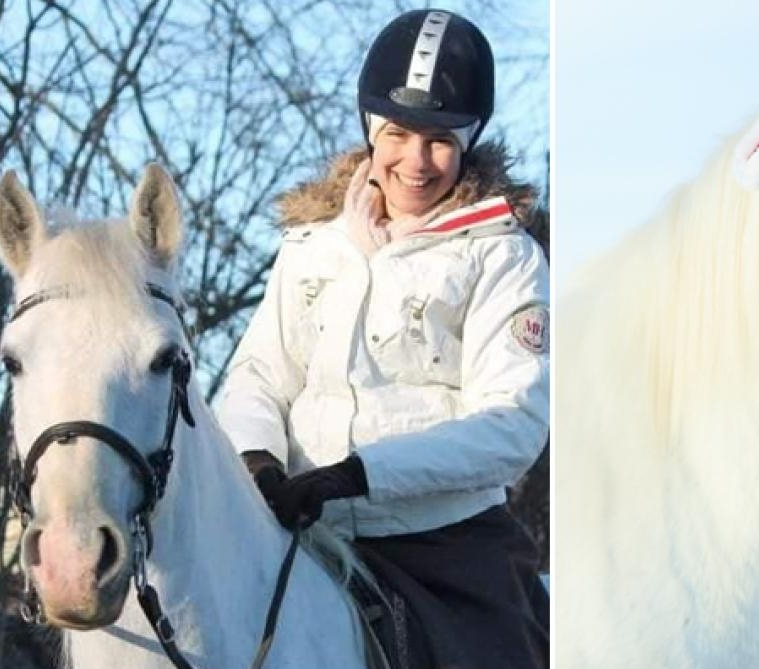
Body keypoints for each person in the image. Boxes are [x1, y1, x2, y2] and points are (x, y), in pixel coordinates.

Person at [215, 9, 549, 668]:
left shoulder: (503, 256)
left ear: (469, 140)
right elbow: (258, 373)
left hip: (442, 545)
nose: (416, 162)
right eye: (397, 134)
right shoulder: (311, 246)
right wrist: (256, 458)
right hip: (297, 525)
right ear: (372, 130)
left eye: (440, 140)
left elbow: (512, 424)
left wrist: (360, 475)